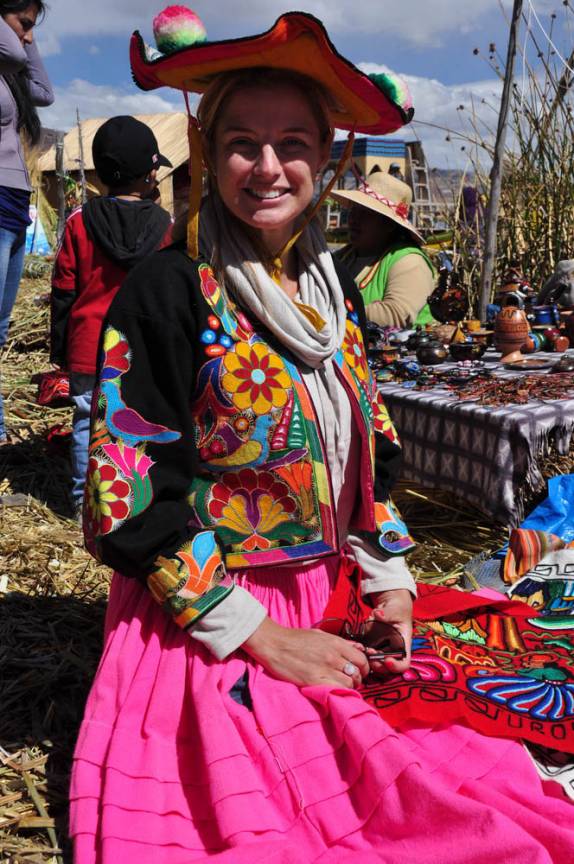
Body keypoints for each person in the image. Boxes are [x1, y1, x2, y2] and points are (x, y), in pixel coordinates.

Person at [70, 9, 574, 863]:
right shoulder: (167, 290)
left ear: (328, 159)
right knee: (295, 817)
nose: (268, 167)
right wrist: (263, 638)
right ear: (207, 148)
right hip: (207, 613)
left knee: (440, 787)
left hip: (327, 590)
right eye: (242, 143)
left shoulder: (325, 291)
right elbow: (124, 497)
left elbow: (370, 452)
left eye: (293, 142)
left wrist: (392, 584)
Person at [50, 116, 173, 516]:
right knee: (139, 421)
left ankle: (83, 503)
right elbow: (170, 292)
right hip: (142, 348)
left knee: (88, 422)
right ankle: (130, 499)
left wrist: (61, 348)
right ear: (150, 173)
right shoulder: (165, 227)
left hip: (88, 346)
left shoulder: (78, 222)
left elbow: (64, 292)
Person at [0, 0, 53, 444]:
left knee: (0, 328)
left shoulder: (10, 72)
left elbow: (44, 91)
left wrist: (24, 33)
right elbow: (17, 55)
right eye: (24, 24)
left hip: (15, 200)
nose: (29, 38)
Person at [334, 170, 436, 328]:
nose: (353, 219)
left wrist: (332, 312)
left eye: (365, 213)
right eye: (353, 210)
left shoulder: (409, 261)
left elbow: (396, 314)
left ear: (388, 224)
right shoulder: (343, 257)